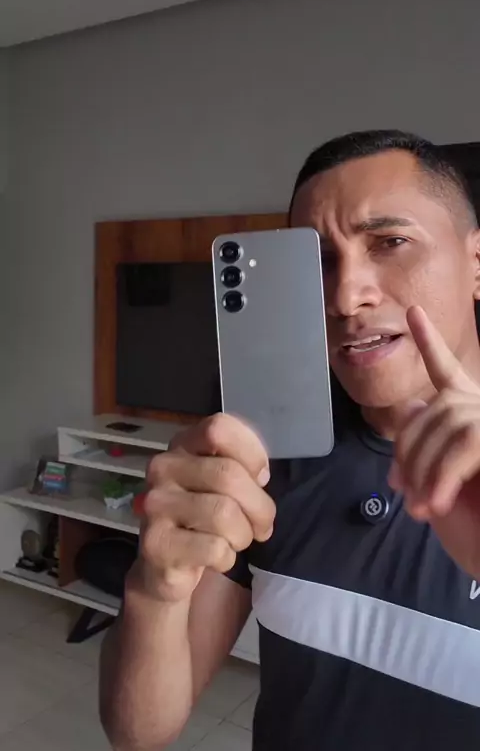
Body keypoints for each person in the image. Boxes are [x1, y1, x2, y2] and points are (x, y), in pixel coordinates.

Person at [100, 130, 480, 751]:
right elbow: (138, 734)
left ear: (476, 261)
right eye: (318, 261)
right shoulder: (265, 461)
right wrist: (153, 588)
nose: (344, 296)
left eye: (390, 242)